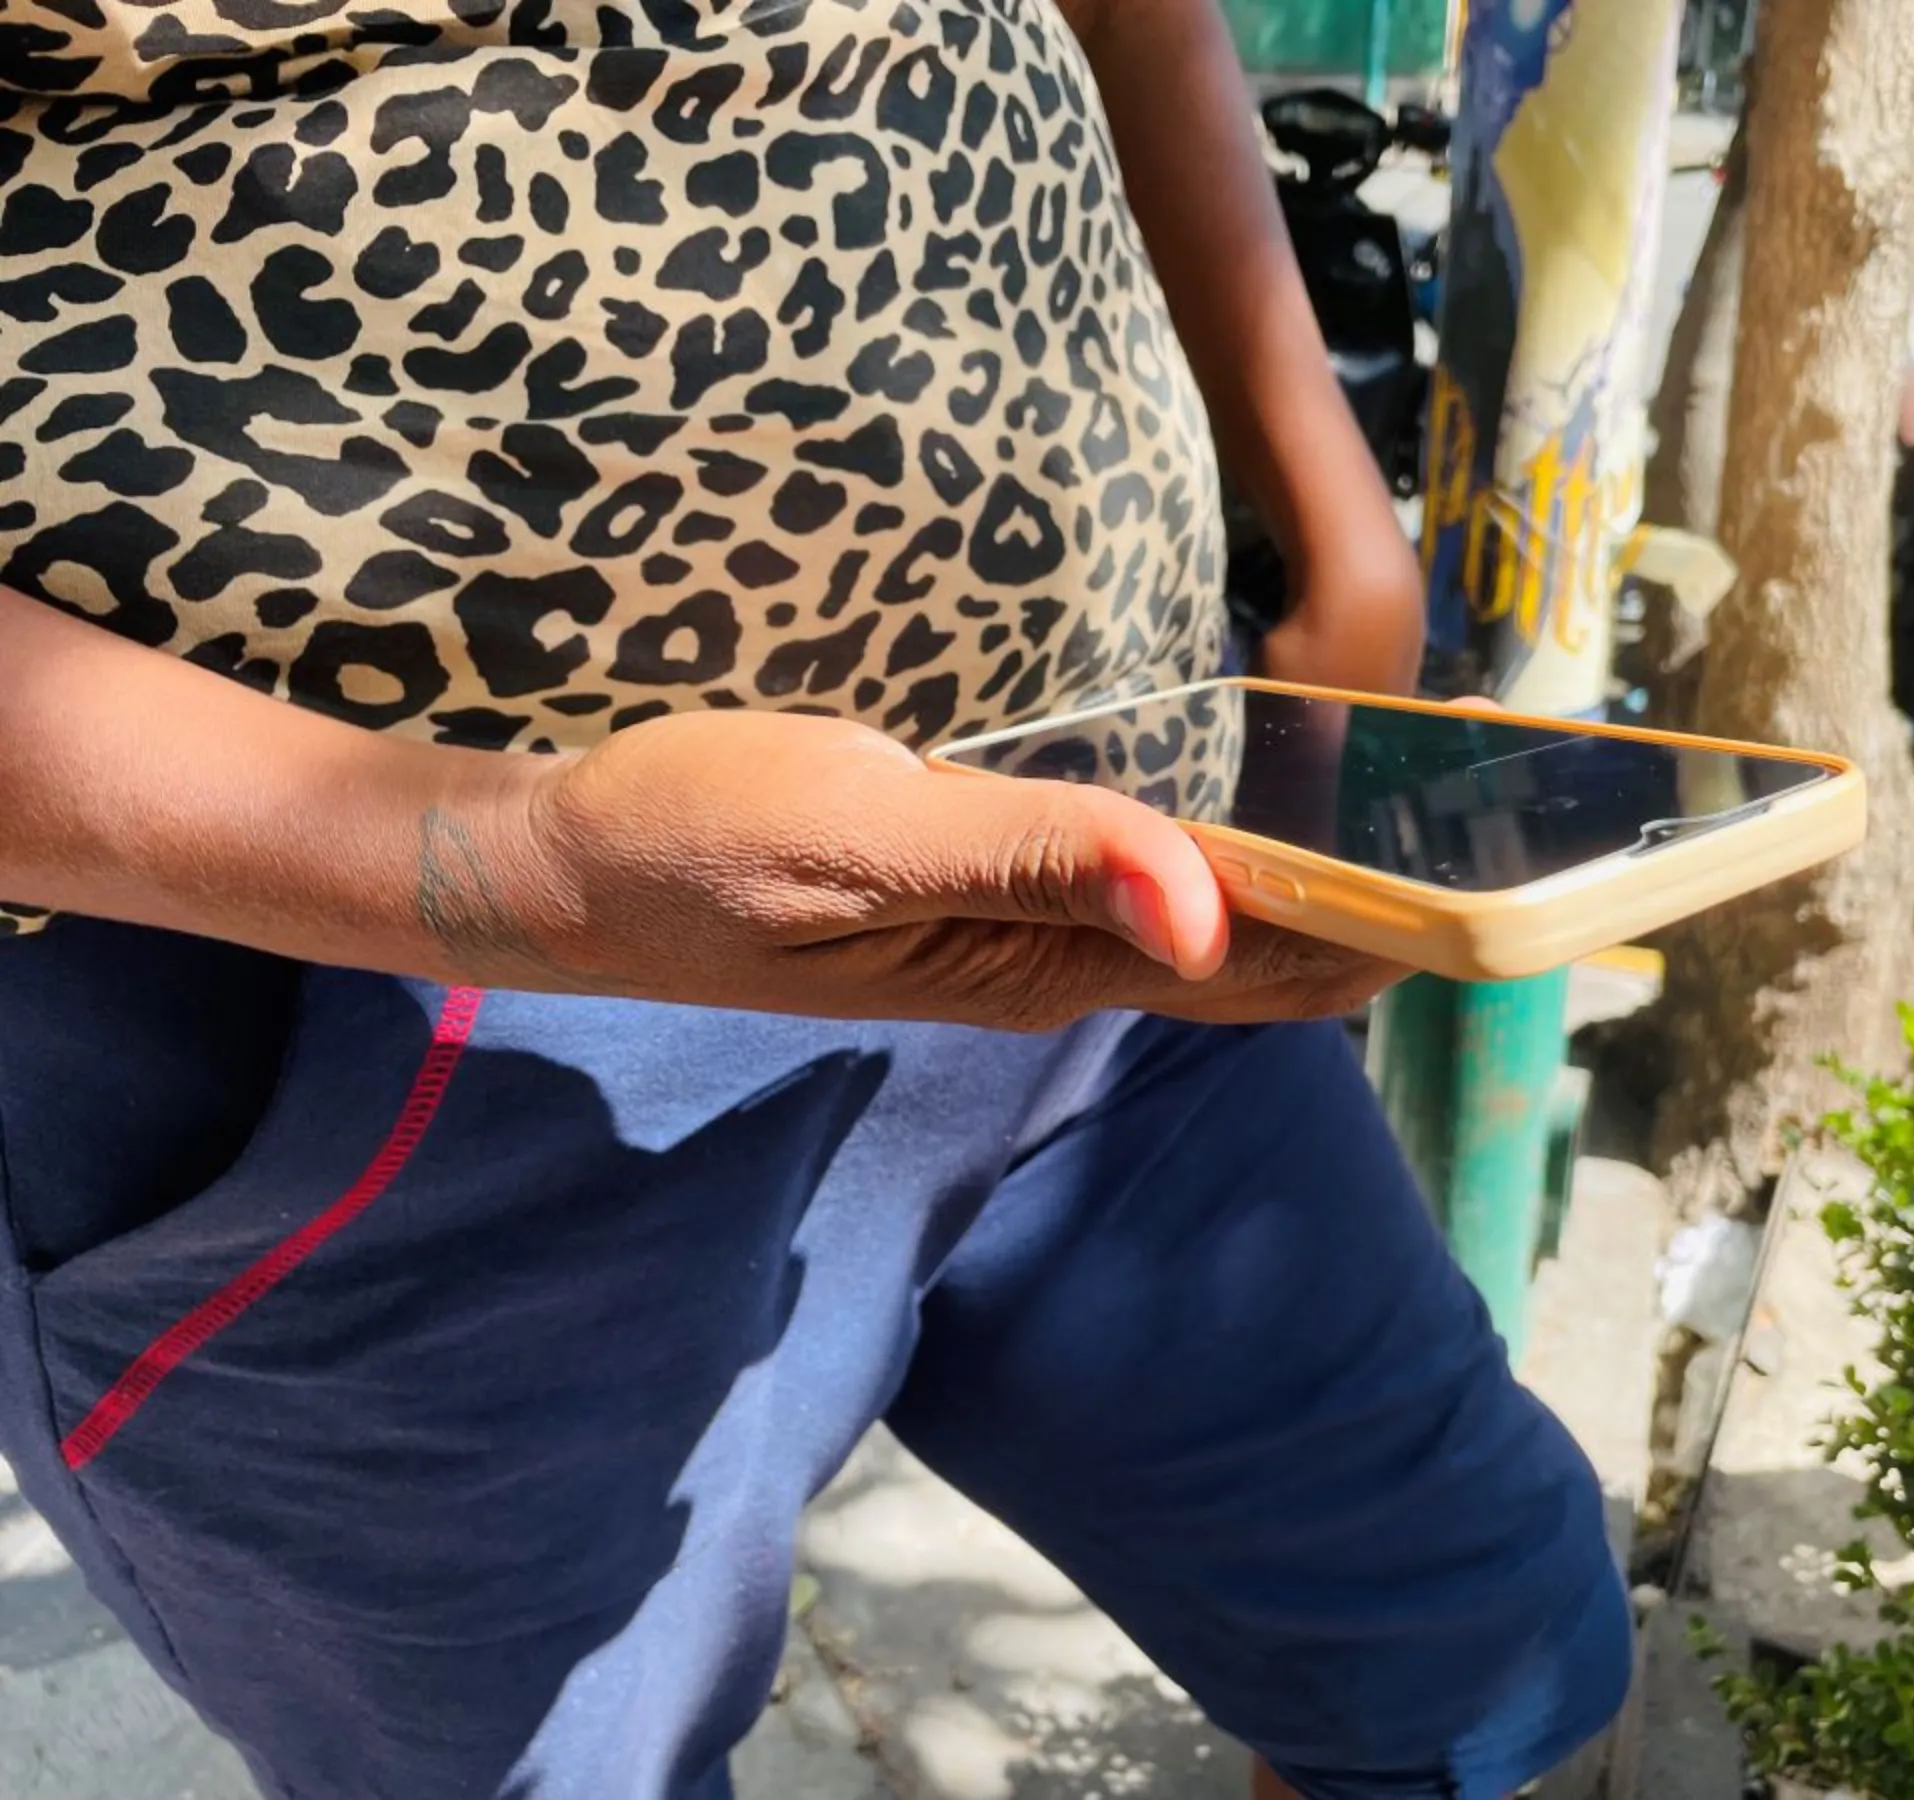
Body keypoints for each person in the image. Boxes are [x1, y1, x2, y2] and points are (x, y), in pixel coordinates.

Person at [0, 1, 1634, 1796]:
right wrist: (508, 872)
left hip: (1119, 838)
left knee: (1472, 1656)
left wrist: (1323, 499)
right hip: (380, 1006)